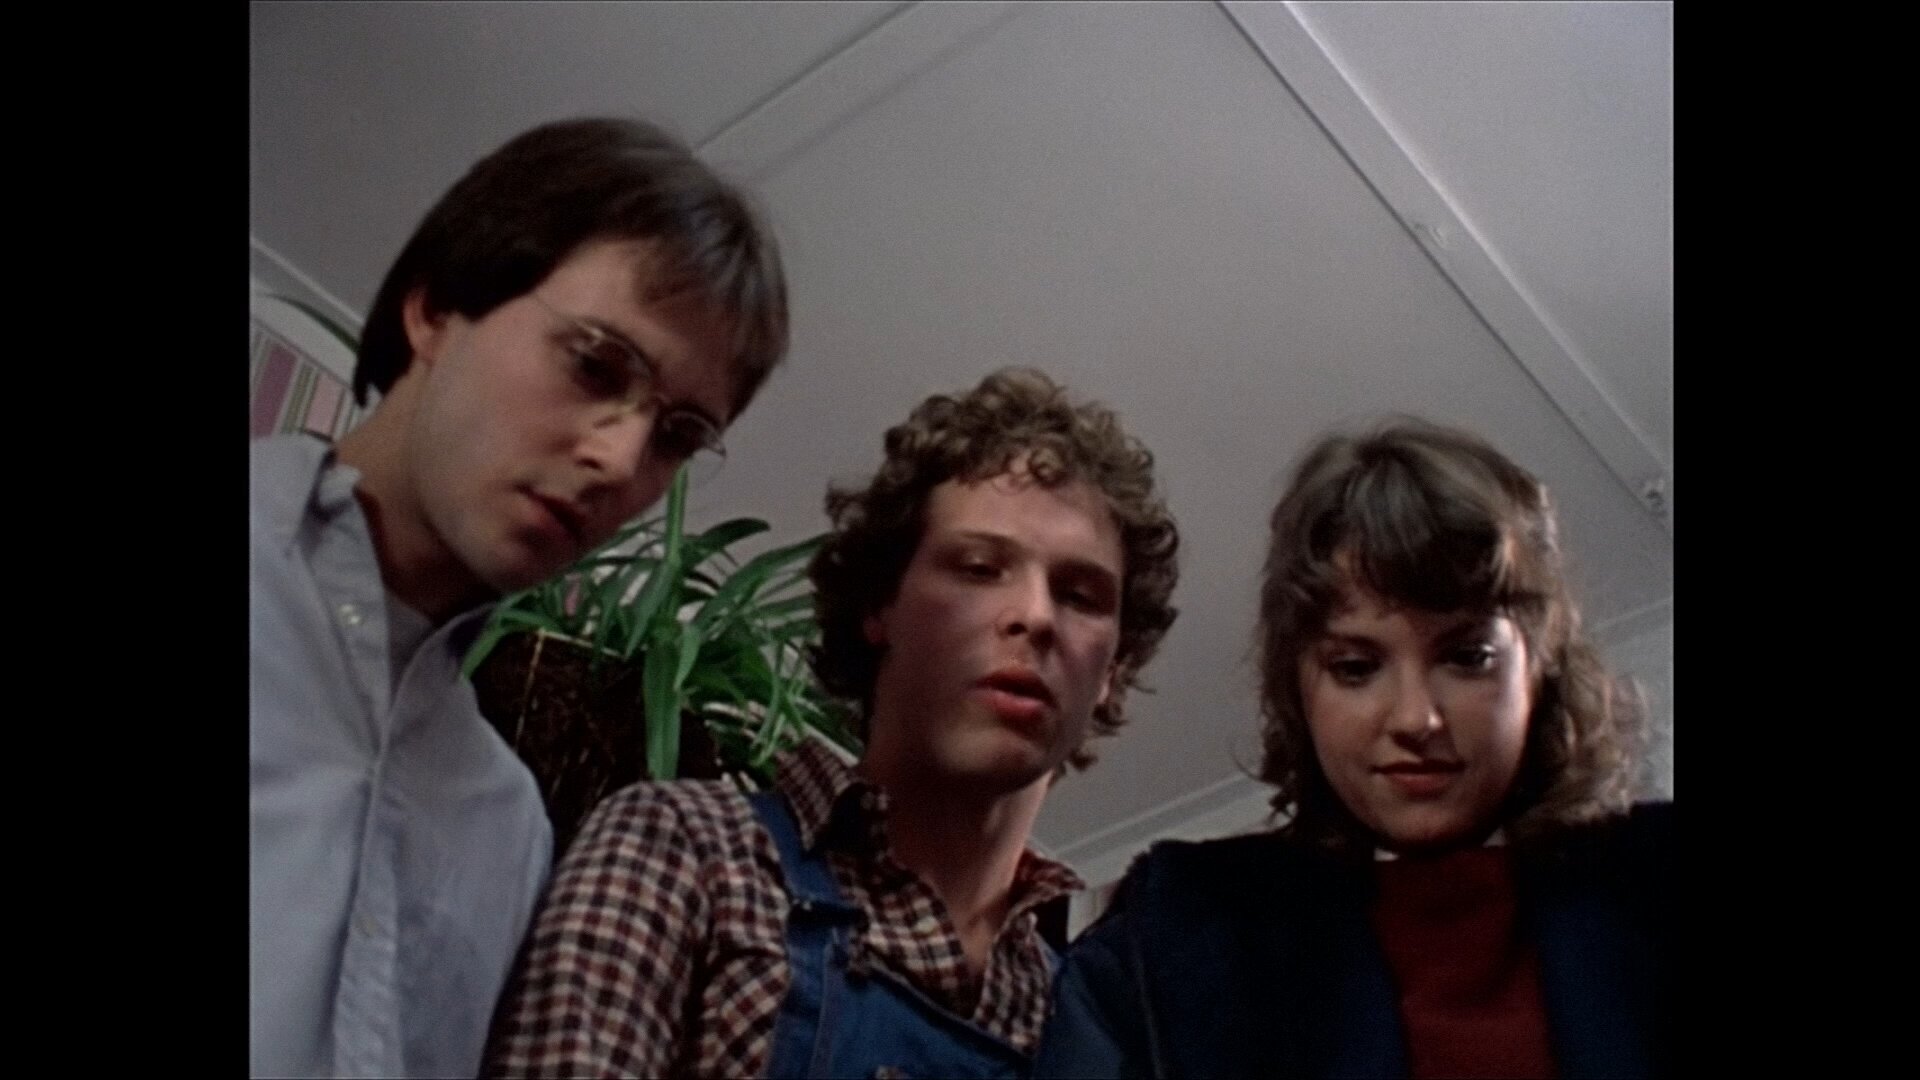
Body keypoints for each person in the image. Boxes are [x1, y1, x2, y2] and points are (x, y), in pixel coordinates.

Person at [250, 116, 789, 1078]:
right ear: (436, 306)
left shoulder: (502, 826)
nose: (619, 459)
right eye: (595, 365)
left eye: (675, 434)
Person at [484, 367, 1181, 1078]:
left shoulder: (1082, 1016)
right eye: (978, 567)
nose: (1035, 615)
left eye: (1081, 595)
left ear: (1113, 670)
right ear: (880, 606)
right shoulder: (692, 851)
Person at [1037, 418, 1669, 1079]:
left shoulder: (1655, 889)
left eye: (1467, 657)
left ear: (1539, 665)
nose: (1417, 718)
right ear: (1298, 690)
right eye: (1356, 668)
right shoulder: (1176, 939)